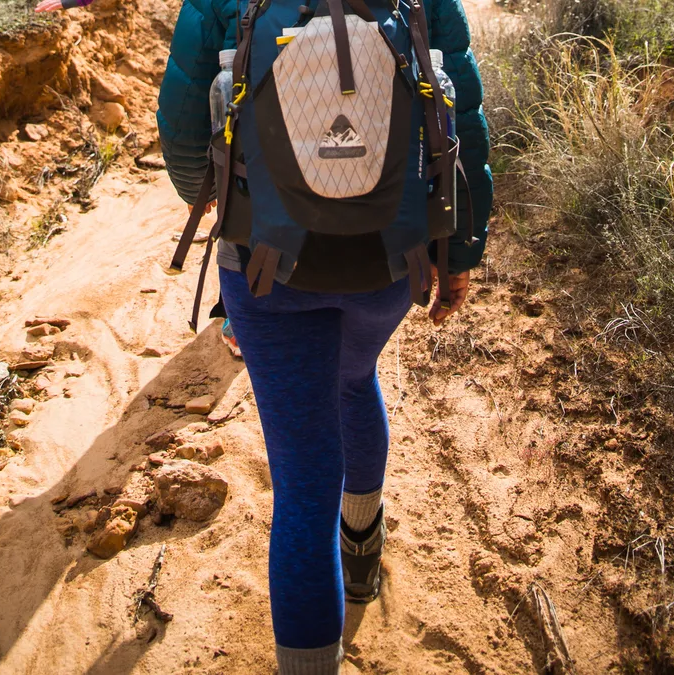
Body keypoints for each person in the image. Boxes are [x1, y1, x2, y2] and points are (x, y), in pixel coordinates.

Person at [45, 0, 491, 671]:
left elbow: (182, 122)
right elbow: (467, 121)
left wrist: (218, 199)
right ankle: (363, 546)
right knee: (355, 377)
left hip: (265, 270)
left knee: (305, 486)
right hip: (390, 263)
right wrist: (461, 253)